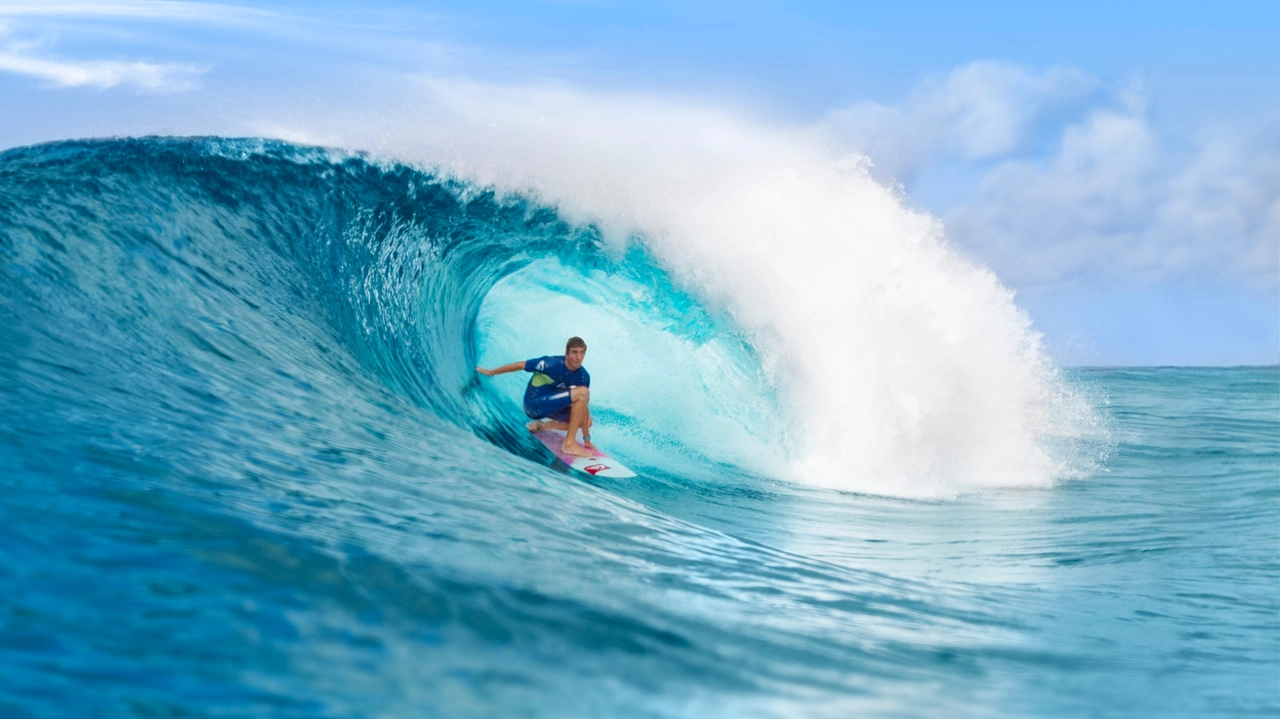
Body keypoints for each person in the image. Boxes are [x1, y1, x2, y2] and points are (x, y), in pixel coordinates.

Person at [476, 337, 597, 457]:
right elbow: (521, 365)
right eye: (575, 352)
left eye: (582, 353)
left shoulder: (583, 376)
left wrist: (587, 440)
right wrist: (491, 372)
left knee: (586, 420)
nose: (578, 357)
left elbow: (582, 407)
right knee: (582, 393)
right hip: (533, 405)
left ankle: (540, 426)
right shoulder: (550, 364)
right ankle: (569, 444)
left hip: (550, 407)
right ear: (566, 354)